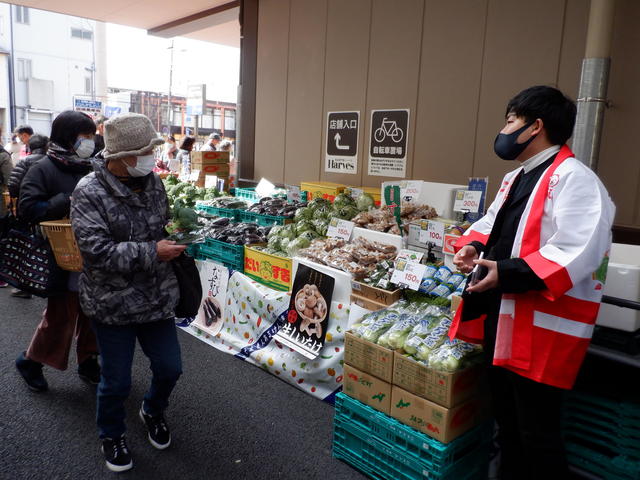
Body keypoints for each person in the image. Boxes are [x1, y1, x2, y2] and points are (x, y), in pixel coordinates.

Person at [451, 86, 615, 480]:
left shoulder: (575, 179)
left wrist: (504, 273)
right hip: (503, 316)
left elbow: (578, 249)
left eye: (511, 120)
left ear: (535, 126)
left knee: (537, 432)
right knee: (507, 423)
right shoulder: (515, 178)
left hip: (542, 328)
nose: (504, 130)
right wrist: (472, 247)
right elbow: (490, 225)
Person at [70, 113, 185, 473]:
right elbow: (97, 253)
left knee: (170, 367)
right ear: (122, 157)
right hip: (112, 301)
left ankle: (152, 408)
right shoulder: (88, 191)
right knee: (116, 380)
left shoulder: (153, 182)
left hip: (156, 295)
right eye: (147, 150)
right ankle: (111, 433)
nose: (153, 156)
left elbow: (162, 223)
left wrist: (181, 232)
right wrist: (154, 251)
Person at [15, 111, 100, 392]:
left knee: (93, 311)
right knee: (61, 315)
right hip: (59, 252)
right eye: (85, 136)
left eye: (91, 135)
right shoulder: (42, 168)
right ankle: (31, 360)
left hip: (92, 251)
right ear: (67, 136)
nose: (90, 141)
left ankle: (88, 360)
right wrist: (66, 200)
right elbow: (28, 210)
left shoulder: (90, 166)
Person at [6, 133, 50, 299]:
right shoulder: (52, 162)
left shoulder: (25, 162)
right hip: (51, 211)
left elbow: (13, 185)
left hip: (29, 211)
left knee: (27, 246)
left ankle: (25, 287)